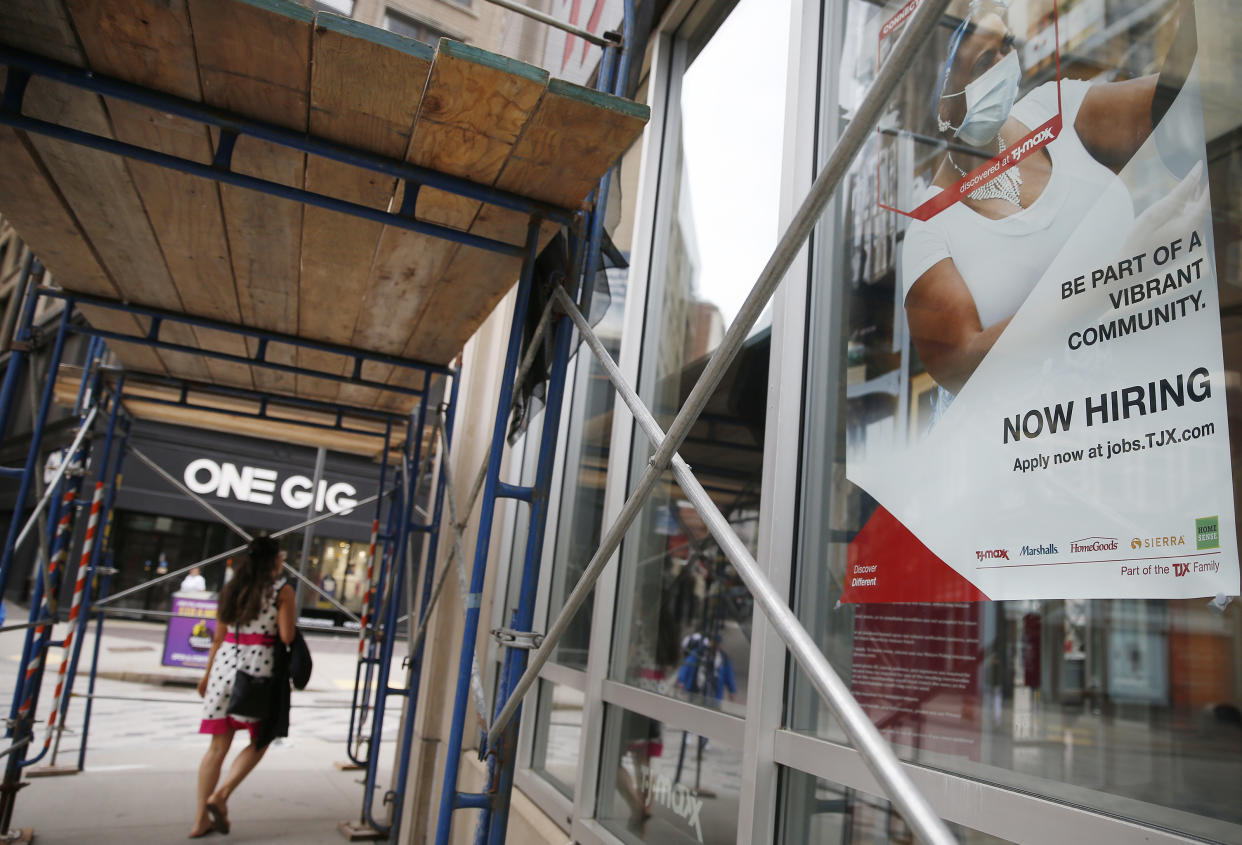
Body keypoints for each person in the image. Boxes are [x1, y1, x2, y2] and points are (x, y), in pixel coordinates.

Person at [902, 0, 1198, 396]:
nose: (1005, 63)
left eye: (1006, 45)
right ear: (942, 103)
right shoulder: (930, 229)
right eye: (984, 61)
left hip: (1156, 391)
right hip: (1047, 444)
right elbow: (963, 366)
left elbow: (1174, 101)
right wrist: (1119, 275)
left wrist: (1198, 20)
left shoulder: (1055, 110)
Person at [190, 536, 294, 838]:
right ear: (274, 560)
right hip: (258, 671)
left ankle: (199, 820)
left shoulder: (232, 589)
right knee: (262, 737)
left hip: (225, 667)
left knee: (216, 747)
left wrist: (206, 676)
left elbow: (218, 636)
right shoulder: (281, 591)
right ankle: (221, 795)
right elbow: (286, 636)